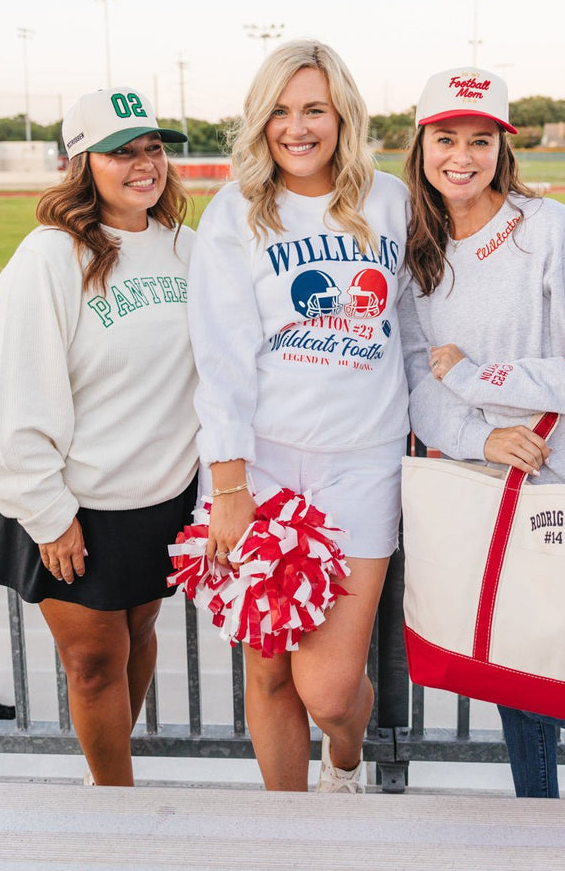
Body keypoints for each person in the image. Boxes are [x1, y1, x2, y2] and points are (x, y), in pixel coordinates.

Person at [399, 67, 565, 800]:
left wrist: (484, 380)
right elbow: (417, 377)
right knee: (504, 656)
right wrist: (478, 437)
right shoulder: (415, 250)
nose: (463, 155)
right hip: (484, 476)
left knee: (533, 655)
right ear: (422, 143)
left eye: (480, 139)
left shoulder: (548, 228)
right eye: (447, 138)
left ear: (501, 147)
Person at [188, 39, 409, 792]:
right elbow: (219, 361)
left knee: (331, 690)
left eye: (314, 108)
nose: (297, 127)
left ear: (342, 114)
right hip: (264, 464)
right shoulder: (236, 215)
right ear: (260, 122)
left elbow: (419, 318)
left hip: (362, 462)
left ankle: (344, 762)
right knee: (268, 669)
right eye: (279, 111)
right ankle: (288, 834)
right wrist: (227, 488)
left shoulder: (389, 201)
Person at [0, 86, 199, 786]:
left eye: (152, 148)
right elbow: (20, 391)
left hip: (156, 495)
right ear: (81, 164)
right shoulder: (49, 257)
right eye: (120, 152)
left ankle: (111, 776)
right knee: (94, 664)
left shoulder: (185, 246)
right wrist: (48, 513)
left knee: (139, 640)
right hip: (70, 501)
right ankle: (116, 811)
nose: (143, 164)